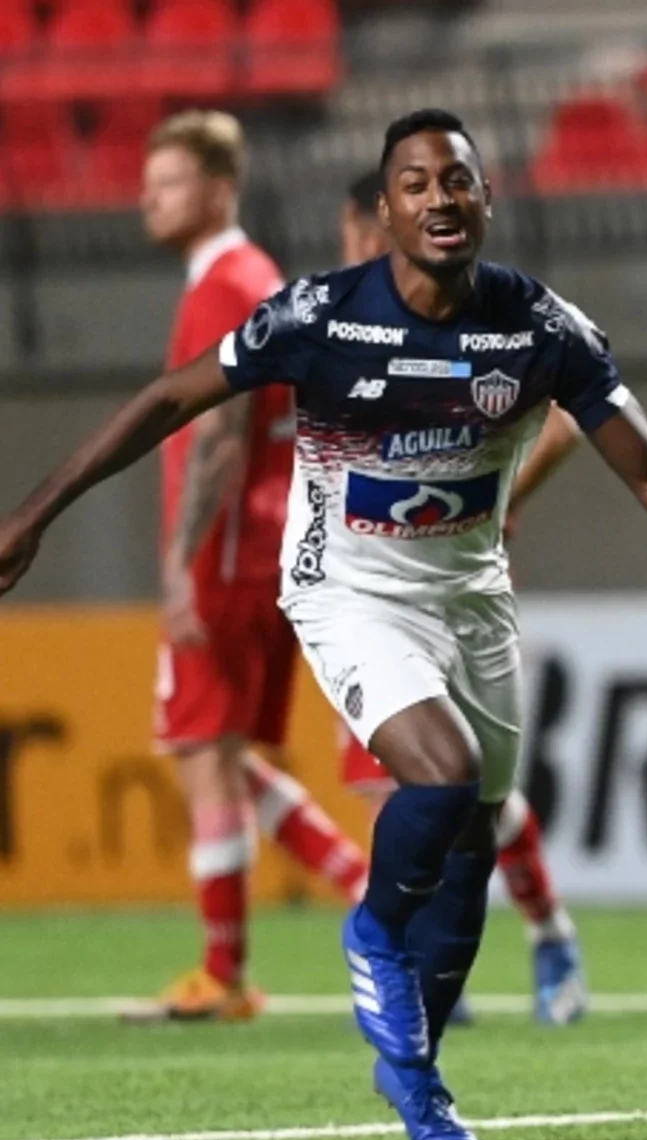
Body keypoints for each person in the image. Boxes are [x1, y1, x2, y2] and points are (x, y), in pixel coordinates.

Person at [0, 107, 647, 1140]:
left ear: (485, 199)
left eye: (458, 181)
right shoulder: (319, 316)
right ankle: (374, 931)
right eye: (416, 184)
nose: (440, 198)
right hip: (346, 587)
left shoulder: (539, 328)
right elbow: (172, 399)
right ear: (385, 212)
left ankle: (418, 1075)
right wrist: (32, 513)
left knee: (474, 839)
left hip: (469, 591)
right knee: (435, 777)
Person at [336, 170, 592, 1025]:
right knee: (408, 786)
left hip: (454, 581)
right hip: (364, 591)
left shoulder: (475, 319)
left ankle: (546, 934)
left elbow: (568, 415)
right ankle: (428, 966)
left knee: (468, 789)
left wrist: (499, 497)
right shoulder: (335, 328)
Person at [137, 110, 368, 1022]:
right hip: (270, 542)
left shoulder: (223, 283)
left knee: (200, 755)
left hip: (228, 549)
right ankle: (358, 887)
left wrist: (178, 560)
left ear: (219, 188)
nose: (147, 199)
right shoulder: (257, 277)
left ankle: (224, 974)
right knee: (222, 754)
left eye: (170, 182)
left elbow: (222, 432)